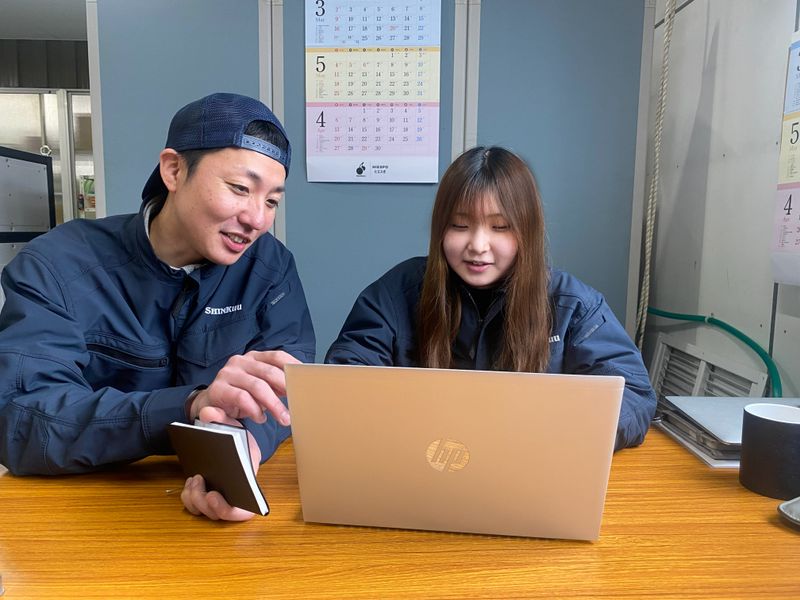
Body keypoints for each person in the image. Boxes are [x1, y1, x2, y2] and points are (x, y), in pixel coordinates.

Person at [0, 93, 315, 520]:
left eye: (272, 200)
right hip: (79, 512)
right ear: (173, 170)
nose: (257, 219)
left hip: (205, 519)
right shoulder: (58, 264)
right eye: (240, 189)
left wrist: (244, 453)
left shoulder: (271, 269)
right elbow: (20, 421)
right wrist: (188, 406)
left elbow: (288, 387)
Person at [326, 146, 655, 450]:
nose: (478, 246)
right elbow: (346, 375)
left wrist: (566, 431)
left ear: (527, 231)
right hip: (423, 460)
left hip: (527, 465)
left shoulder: (572, 305)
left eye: (500, 227)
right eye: (460, 225)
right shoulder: (398, 291)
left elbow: (634, 395)